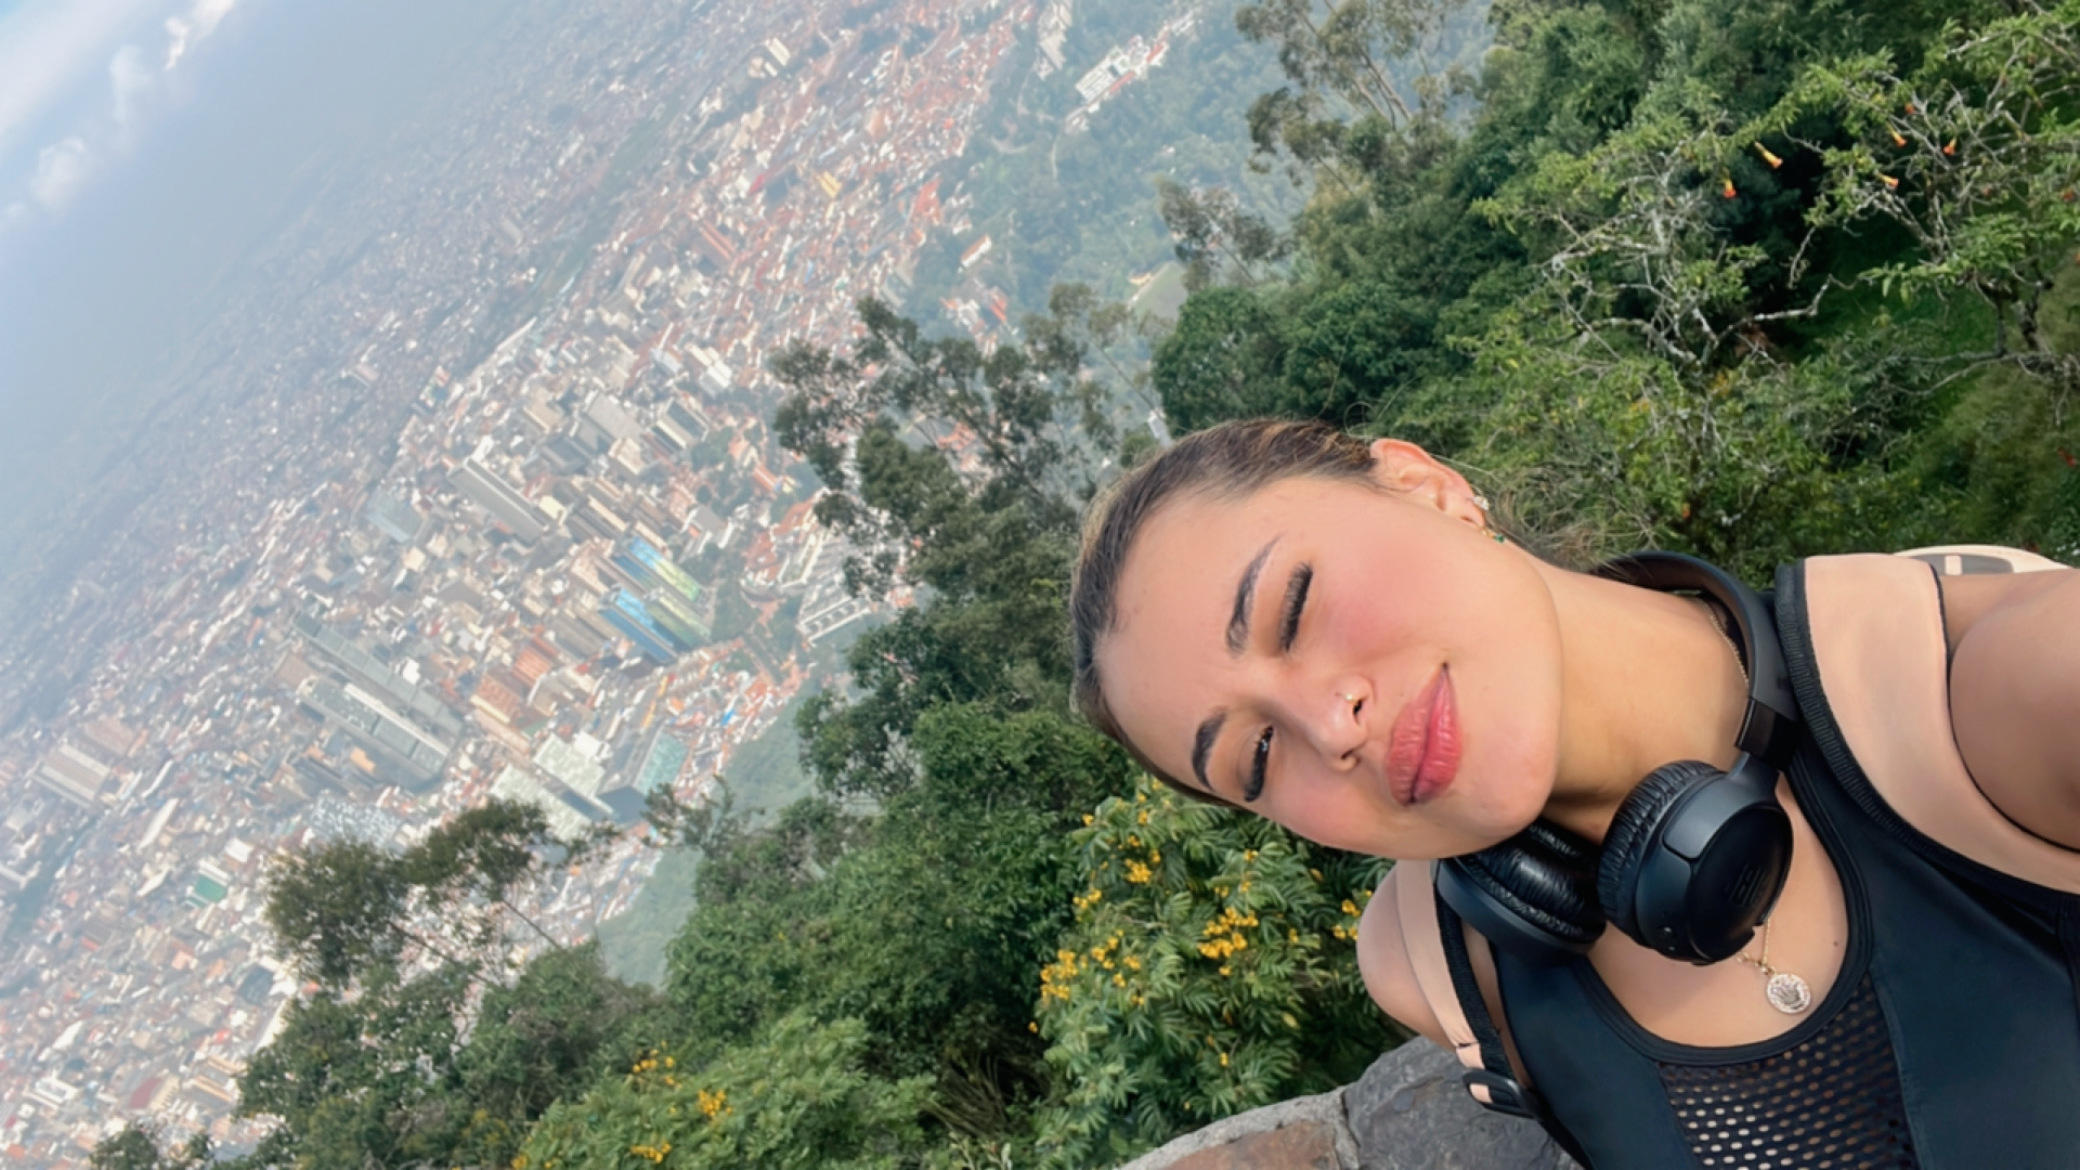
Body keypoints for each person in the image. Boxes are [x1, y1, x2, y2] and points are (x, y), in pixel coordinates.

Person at [1068, 417, 2080, 1169]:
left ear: (1426, 488)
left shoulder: (2006, 690)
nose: (1332, 727)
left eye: (1294, 606)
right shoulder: (1434, 964)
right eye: (1255, 758)